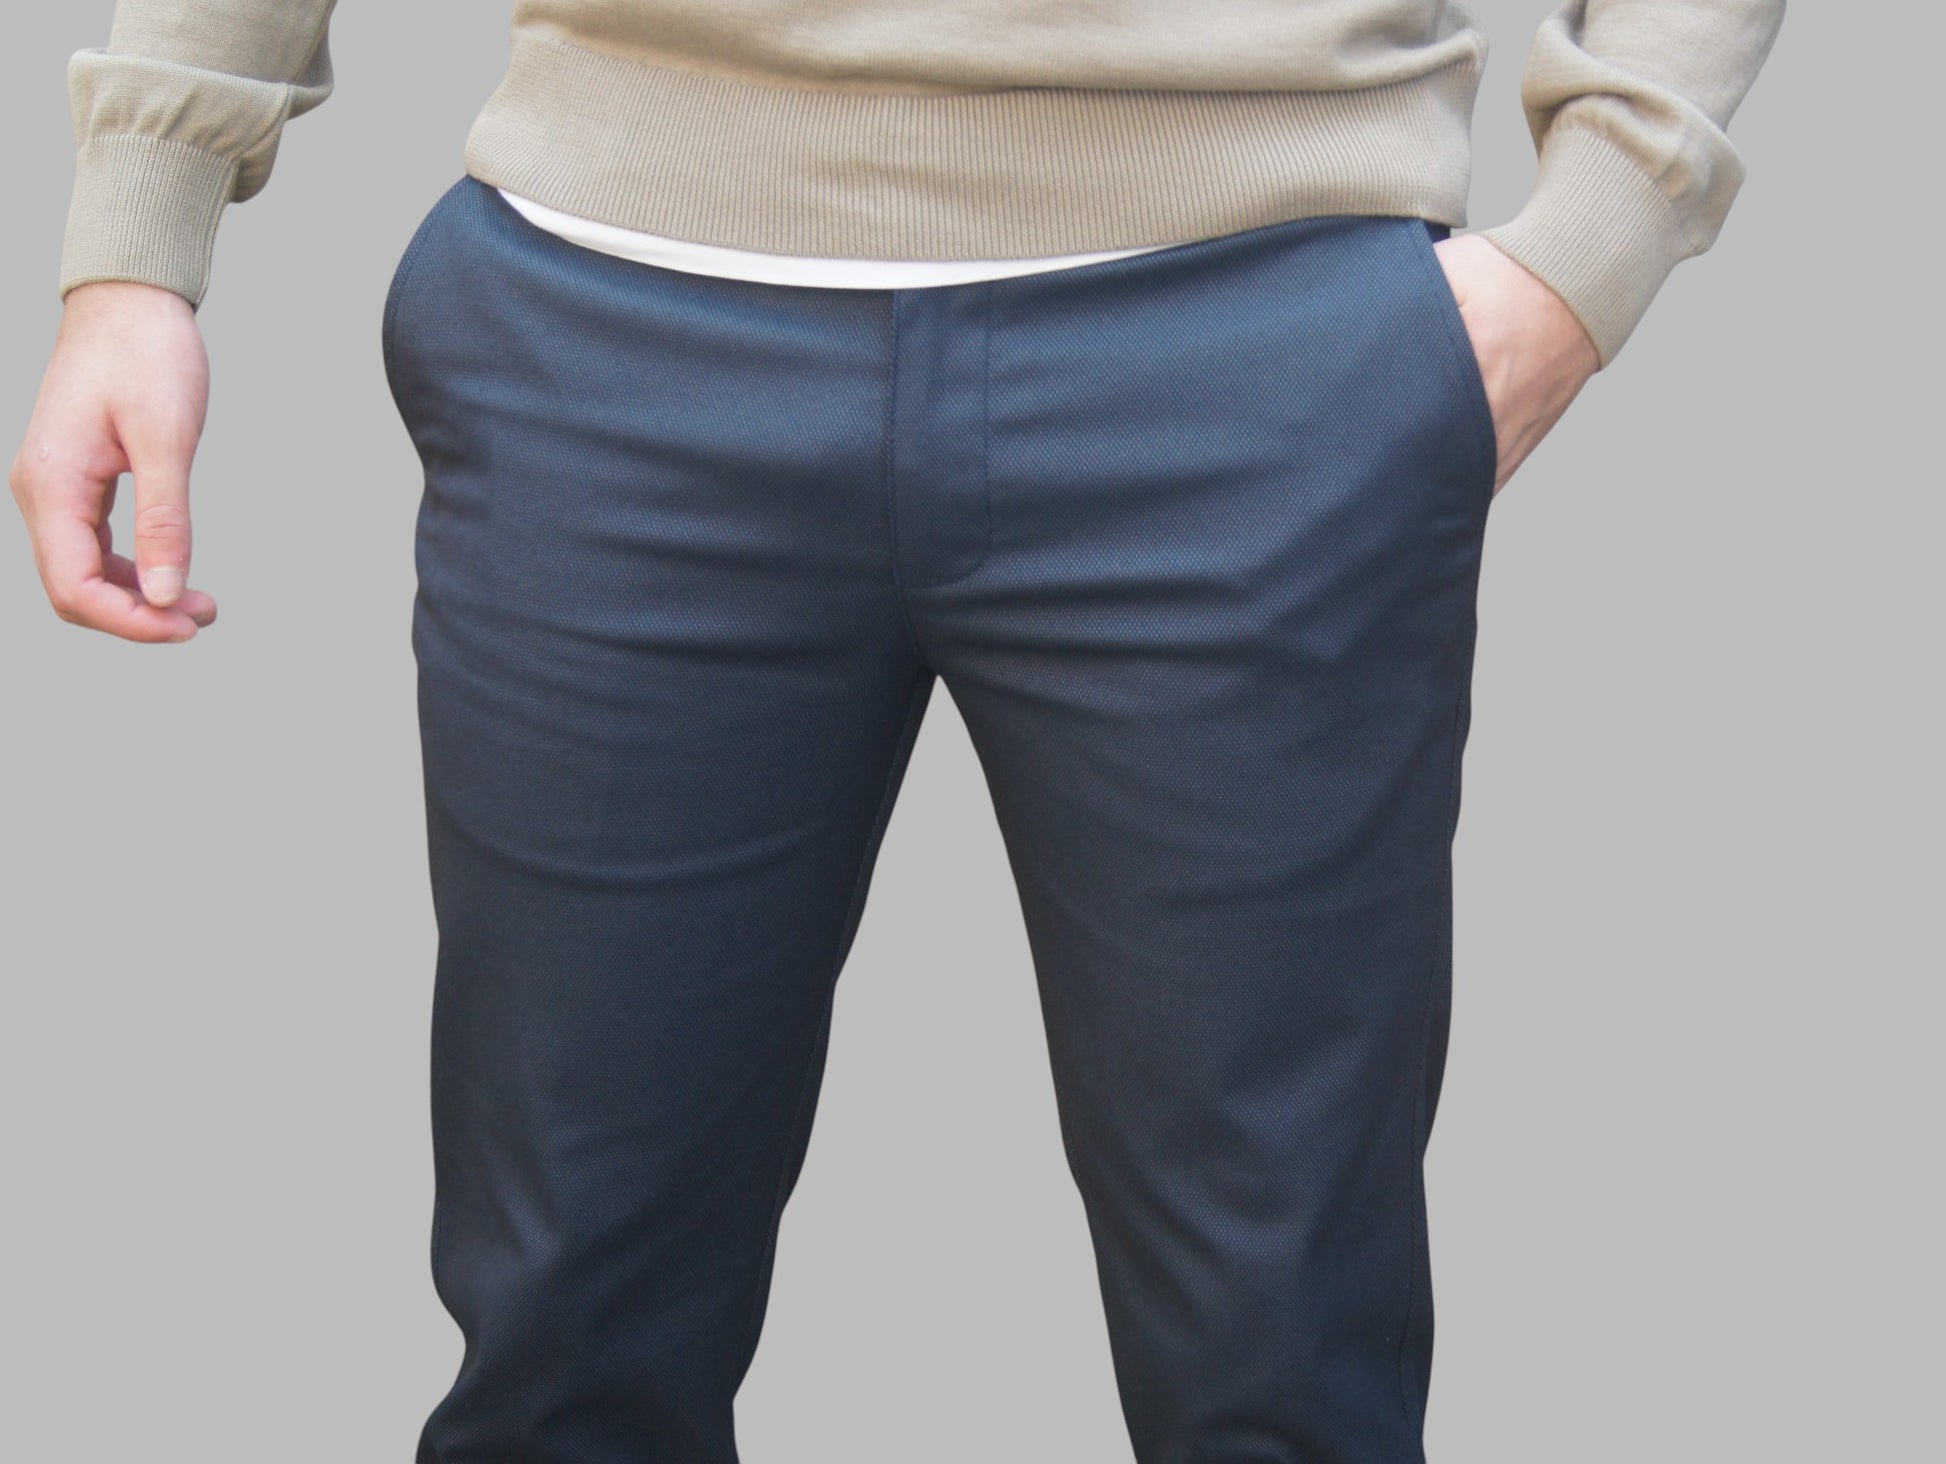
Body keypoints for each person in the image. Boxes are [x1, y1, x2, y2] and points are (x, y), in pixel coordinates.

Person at [9, 3, 1785, 1459]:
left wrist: (1590, 241)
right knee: (567, 1333)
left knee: (1281, 1339)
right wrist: (140, 229)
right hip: (608, 339)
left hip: (1259, 339)